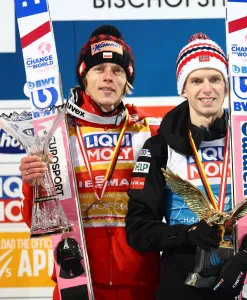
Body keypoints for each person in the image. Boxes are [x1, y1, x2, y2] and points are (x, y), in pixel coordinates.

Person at [125, 32, 247, 300]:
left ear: (226, 85)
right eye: (196, 80)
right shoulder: (160, 147)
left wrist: (246, 257)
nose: (207, 89)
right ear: (183, 88)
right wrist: (188, 234)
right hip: (182, 283)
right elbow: (138, 229)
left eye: (215, 79)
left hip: (246, 276)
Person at [19, 25, 160, 300]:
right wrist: (32, 184)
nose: (108, 77)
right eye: (99, 69)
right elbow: (34, 219)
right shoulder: (57, 130)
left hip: (140, 280)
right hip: (76, 279)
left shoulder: (147, 129)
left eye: (117, 70)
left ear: (127, 80)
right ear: (84, 76)